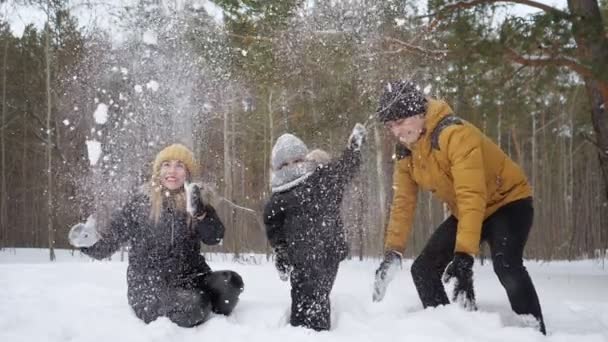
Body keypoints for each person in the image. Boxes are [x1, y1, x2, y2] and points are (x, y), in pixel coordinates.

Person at [372, 81, 546, 334]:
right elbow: (403, 203)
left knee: (506, 265)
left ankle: (534, 331)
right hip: (467, 211)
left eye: (400, 122)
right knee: (422, 270)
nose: (396, 131)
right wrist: (393, 253)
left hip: (508, 202)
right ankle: (457, 331)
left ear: (418, 113)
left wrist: (464, 255)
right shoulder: (406, 153)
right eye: (390, 126)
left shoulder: (453, 134)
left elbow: (471, 194)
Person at [68, 143, 244, 327]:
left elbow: (214, 237)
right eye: (166, 164)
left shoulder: (197, 202)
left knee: (231, 283)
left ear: (187, 173)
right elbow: (110, 241)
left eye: (179, 165)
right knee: (194, 305)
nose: (172, 171)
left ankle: (210, 318)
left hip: (192, 277)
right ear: (158, 171)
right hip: (149, 287)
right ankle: (199, 309)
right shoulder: (140, 204)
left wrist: (201, 214)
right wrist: (87, 241)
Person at [263, 123, 367, 331]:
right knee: (302, 294)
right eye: (285, 164)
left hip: (328, 250)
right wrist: (281, 250)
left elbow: (343, 170)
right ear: (277, 168)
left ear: (306, 158)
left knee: (318, 293)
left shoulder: (322, 179)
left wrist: (353, 149)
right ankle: (299, 329)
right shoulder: (279, 197)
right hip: (299, 259)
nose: (293, 166)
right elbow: (273, 225)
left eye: (298, 160)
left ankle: (317, 330)